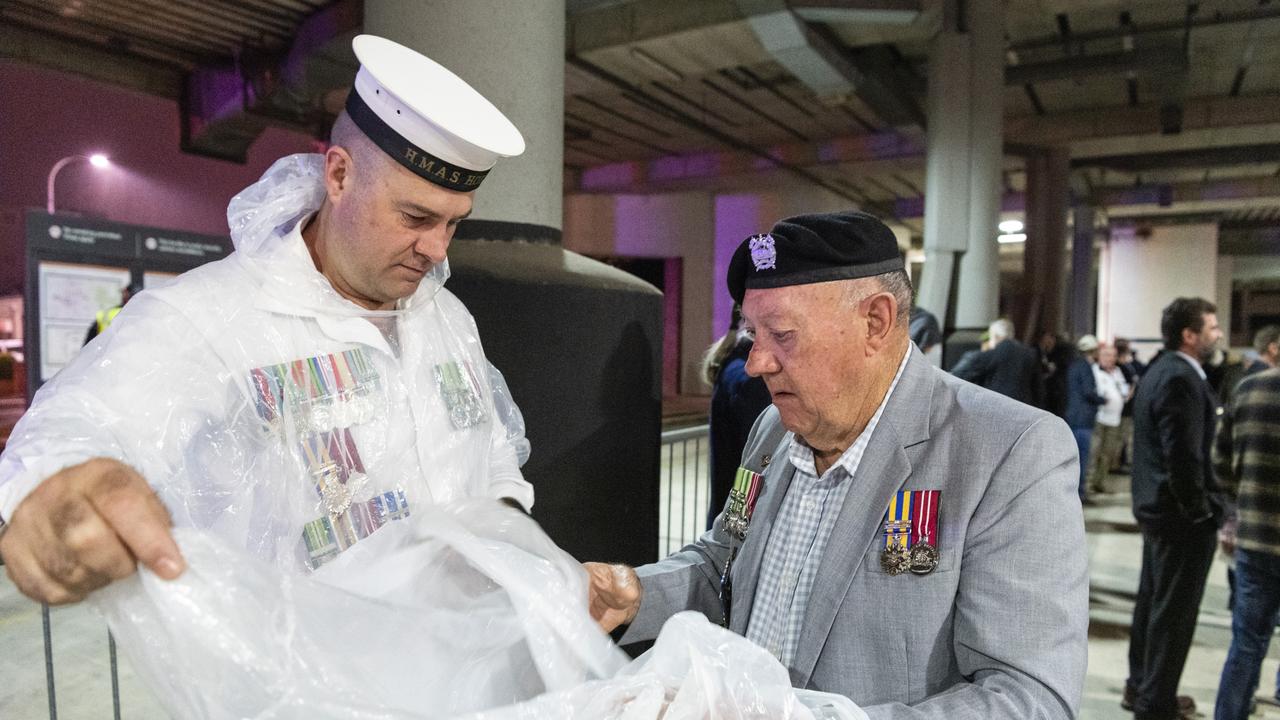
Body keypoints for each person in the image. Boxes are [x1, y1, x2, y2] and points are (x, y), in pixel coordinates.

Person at [0, 35, 534, 604]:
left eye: (453, 223)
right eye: (415, 216)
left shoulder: (446, 318)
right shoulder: (213, 316)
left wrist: (520, 557)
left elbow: (493, 448)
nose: (436, 248)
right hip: (306, 684)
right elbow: (81, 424)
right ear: (339, 176)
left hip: (465, 664)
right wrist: (53, 495)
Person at [585, 211, 1088, 719]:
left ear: (876, 322)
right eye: (752, 333)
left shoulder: (1009, 451)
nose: (756, 362)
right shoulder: (773, 432)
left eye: (781, 333)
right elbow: (725, 560)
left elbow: (1029, 700)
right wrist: (635, 595)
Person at [1124, 297, 1224, 720]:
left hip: (1158, 511)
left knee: (1154, 603)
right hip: (1179, 517)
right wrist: (1200, 511)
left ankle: (1142, 687)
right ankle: (1156, 702)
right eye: (1212, 327)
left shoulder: (1161, 370)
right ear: (1190, 334)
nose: (1217, 334)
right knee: (1174, 613)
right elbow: (1182, 455)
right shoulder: (1180, 377)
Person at [1213, 366, 1280, 720]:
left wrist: (1241, 502)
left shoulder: (1249, 389)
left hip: (1255, 537)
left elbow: (1219, 461)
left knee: (1246, 643)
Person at [703, 305, 772, 528]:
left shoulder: (733, 360)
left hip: (727, 513)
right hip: (739, 522)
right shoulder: (752, 379)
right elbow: (760, 462)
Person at [950, 318, 1044, 407]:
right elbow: (1038, 390)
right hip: (1025, 411)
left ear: (996, 336)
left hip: (996, 410)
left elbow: (959, 375)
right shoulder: (1030, 354)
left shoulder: (990, 355)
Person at [1085, 343, 1130, 496]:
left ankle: (1100, 483)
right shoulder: (1094, 371)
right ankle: (1088, 485)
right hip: (1099, 418)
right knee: (1093, 452)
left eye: (1113, 355)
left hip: (1115, 419)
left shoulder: (1118, 372)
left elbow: (1123, 388)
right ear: (1100, 356)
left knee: (1107, 454)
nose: (1110, 358)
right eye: (1106, 355)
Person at [1065, 334, 1105, 503]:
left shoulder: (1074, 366)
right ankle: (1079, 494)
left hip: (1073, 417)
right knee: (1082, 457)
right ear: (1093, 350)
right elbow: (1089, 392)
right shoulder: (1086, 367)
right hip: (1083, 419)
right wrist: (1103, 400)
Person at [84, 280, 143, 345]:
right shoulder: (145, 316)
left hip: (105, 353)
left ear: (127, 293)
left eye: (124, 292)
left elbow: (89, 342)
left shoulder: (107, 313)